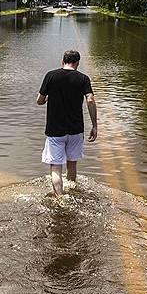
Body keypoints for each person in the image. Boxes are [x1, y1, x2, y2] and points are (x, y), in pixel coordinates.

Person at [36, 49, 98, 195]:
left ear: (62, 61)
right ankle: (71, 192)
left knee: (56, 168)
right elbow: (90, 100)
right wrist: (94, 125)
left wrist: (45, 99)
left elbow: (39, 100)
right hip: (76, 130)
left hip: (55, 131)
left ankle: (61, 198)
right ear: (77, 63)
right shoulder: (83, 78)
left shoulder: (51, 76)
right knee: (72, 166)